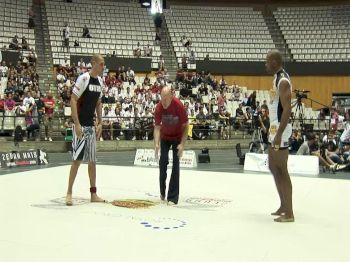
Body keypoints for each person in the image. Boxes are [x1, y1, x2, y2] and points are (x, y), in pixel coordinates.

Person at [65, 54, 106, 206]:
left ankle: (93, 193)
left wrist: (100, 121)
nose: (103, 67)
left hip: (91, 126)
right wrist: (76, 124)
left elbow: (99, 102)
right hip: (81, 125)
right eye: (101, 64)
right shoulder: (83, 79)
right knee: (76, 160)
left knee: (92, 161)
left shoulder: (100, 81)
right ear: (94, 63)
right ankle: (69, 192)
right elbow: (73, 100)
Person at [265, 50, 294, 223]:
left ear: (275, 61)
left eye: (267, 61)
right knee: (272, 166)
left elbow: (288, 109)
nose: (265, 64)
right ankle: (283, 205)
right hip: (274, 128)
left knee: (282, 169)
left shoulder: (283, 80)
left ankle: (289, 213)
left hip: (281, 130)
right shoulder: (276, 77)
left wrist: (279, 134)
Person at [154, 86, 189, 205]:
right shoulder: (159, 107)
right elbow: (157, 128)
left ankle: (173, 197)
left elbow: (186, 126)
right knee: (162, 162)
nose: (163, 102)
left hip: (177, 137)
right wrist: (156, 144)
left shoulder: (178, 106)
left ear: (171, 96)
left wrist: (182, 144)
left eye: (165, 99)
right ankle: (162, 192)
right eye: (161, 99)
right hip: (165, 137)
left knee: (176, 166)